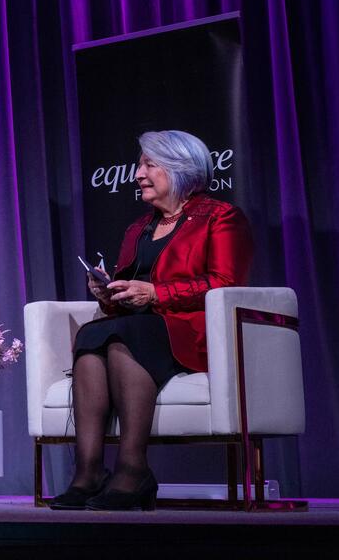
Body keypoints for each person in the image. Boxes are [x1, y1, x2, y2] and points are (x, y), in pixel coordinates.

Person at [49, 130, 252, 511]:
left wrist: (157, 293)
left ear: (179, 169)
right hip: (142, 326)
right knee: (94, 334)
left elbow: (226, 283)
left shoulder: (221, 217)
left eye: (148, 165)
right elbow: (131, 301)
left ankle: (132, 469)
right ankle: (89, 471)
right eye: (139, 164)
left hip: (193, 331)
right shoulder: (137, 228)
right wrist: (110, 295)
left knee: (129, 331)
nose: (138, 174)